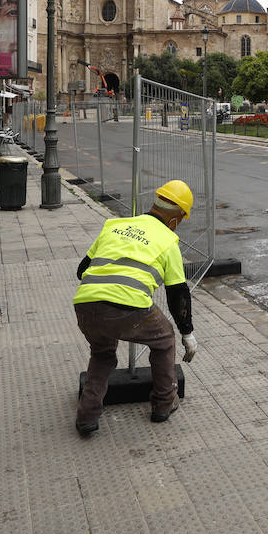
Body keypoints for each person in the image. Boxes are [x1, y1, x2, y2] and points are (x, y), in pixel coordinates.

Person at [73, 180, 199, 437]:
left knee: (103, 354)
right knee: (164, 340)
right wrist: (187, 333)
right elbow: (178, 295)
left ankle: (87, 415)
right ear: (176, 218)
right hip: (128, 309)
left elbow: (81, 271)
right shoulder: (168, 241)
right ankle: (164, 404)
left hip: (85, 305)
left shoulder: (114, 225)